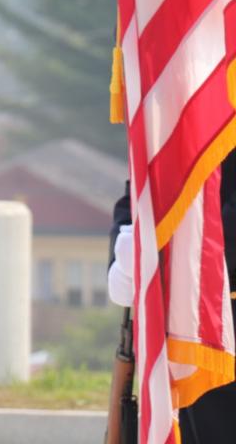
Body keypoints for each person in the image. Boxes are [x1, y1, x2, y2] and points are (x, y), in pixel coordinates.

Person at [108, 156, 236, 443]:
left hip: (219, 307)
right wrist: (122, 253)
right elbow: (138, 188)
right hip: (177, 320)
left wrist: (171, 256)